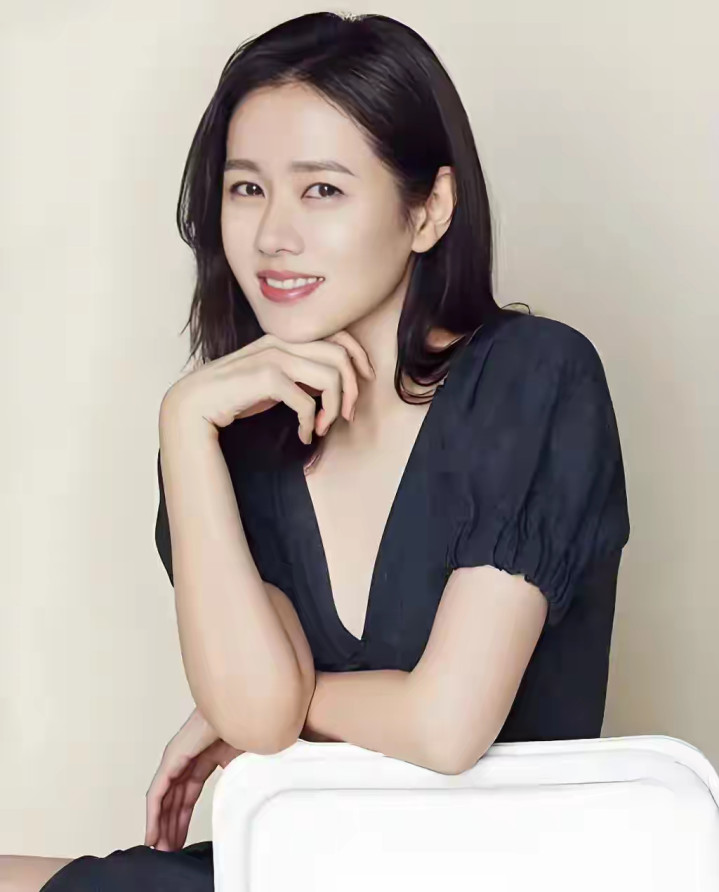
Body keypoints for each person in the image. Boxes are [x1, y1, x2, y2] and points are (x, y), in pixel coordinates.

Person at [14, 10, 630, 892]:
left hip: (495, 872)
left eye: (322, 191)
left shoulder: (535, 378)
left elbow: (446, 728)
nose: (272, 235)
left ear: (429, 209)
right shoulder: (226, 444)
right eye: (246, 188)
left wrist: (277, 711)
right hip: (308, 866)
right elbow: (258, 711)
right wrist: (183, 425)